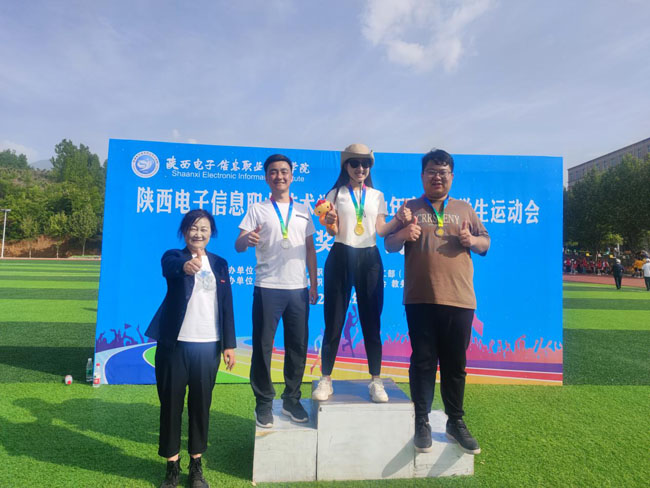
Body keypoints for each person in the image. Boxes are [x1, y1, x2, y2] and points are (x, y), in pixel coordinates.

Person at [385, 148, 490, 455]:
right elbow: (389, 244)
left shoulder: (465, 208)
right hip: (420, 298)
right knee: (423, 361)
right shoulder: (409, 207)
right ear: (423, 176)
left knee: (455, 364)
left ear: (451, 177)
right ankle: (421, 421)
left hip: (460, 299)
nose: (437, 177)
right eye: (431, 171)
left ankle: (455, 421)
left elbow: (486, 242)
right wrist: (404, 233)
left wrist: (472, 241)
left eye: (443, 172)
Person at [312, 143, 410, 403]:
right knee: (334, 321)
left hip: (369, 259)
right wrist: (330, 224)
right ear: (346, 166)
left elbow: (381, 230)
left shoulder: (377, 195)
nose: (360, 168)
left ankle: (376, 381)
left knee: (371, 322)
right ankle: (326, 379)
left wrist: (398, 218)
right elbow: (332, 231)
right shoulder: (335, 194)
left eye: (365, 164)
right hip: (341, 255)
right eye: (355, 163)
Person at [145, 209, 236, 488]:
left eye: (204, 229)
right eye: (193, 228)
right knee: (171, 406)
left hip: (208, 346)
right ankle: (171, 467)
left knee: (201, 407)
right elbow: (170, 268)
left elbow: (227, 305)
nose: (198, 233)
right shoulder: (173, 256)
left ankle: (196, 466)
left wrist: (229, 345)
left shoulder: (220, 264)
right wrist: (186, 266)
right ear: (185, 232)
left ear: (211, 233)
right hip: (175, 346)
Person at [235, 154, 318, 428]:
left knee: (298, 346)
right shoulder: (257, 209)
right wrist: (247, 239)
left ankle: (292, 399)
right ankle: (263, 402)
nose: (279, 176)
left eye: (284, 171)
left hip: (298, 288)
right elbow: (238, 244)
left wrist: (314, 283)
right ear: (266, 177)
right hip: (267, 287)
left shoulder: (304, 209)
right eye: (273, 172)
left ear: (292, 176)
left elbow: (310, 249)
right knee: (263, 347)